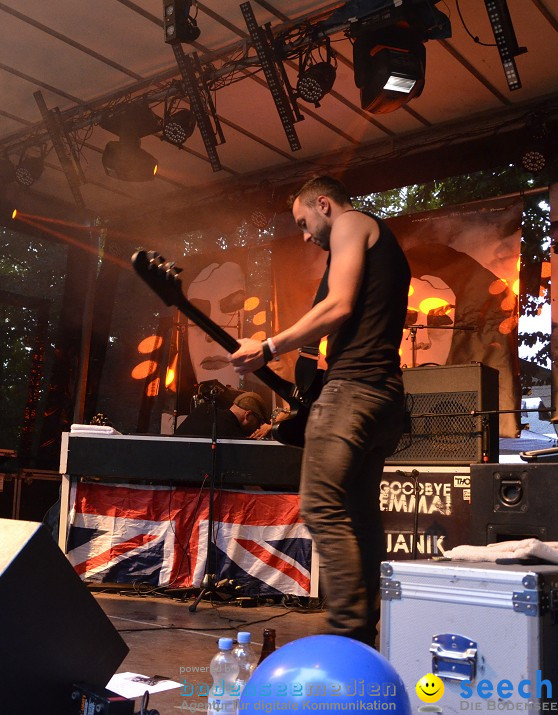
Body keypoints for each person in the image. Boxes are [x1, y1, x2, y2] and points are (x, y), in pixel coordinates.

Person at [229, 176, 410, 646]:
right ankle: (365, 633)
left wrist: (268, 345)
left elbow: (340, 305)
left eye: (304, 222)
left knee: (319, 503)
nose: (305, 235)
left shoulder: (352, 222)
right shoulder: (374, 245)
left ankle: (347, 632)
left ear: (324, 204)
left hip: (354, 391)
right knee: (359, 512)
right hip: (383, 395)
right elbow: (324, 325)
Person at [174, 387, 270, 440]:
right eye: (258, 422)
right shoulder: (236, 439)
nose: (258, 428)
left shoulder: (202, 409)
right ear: (248, 415)